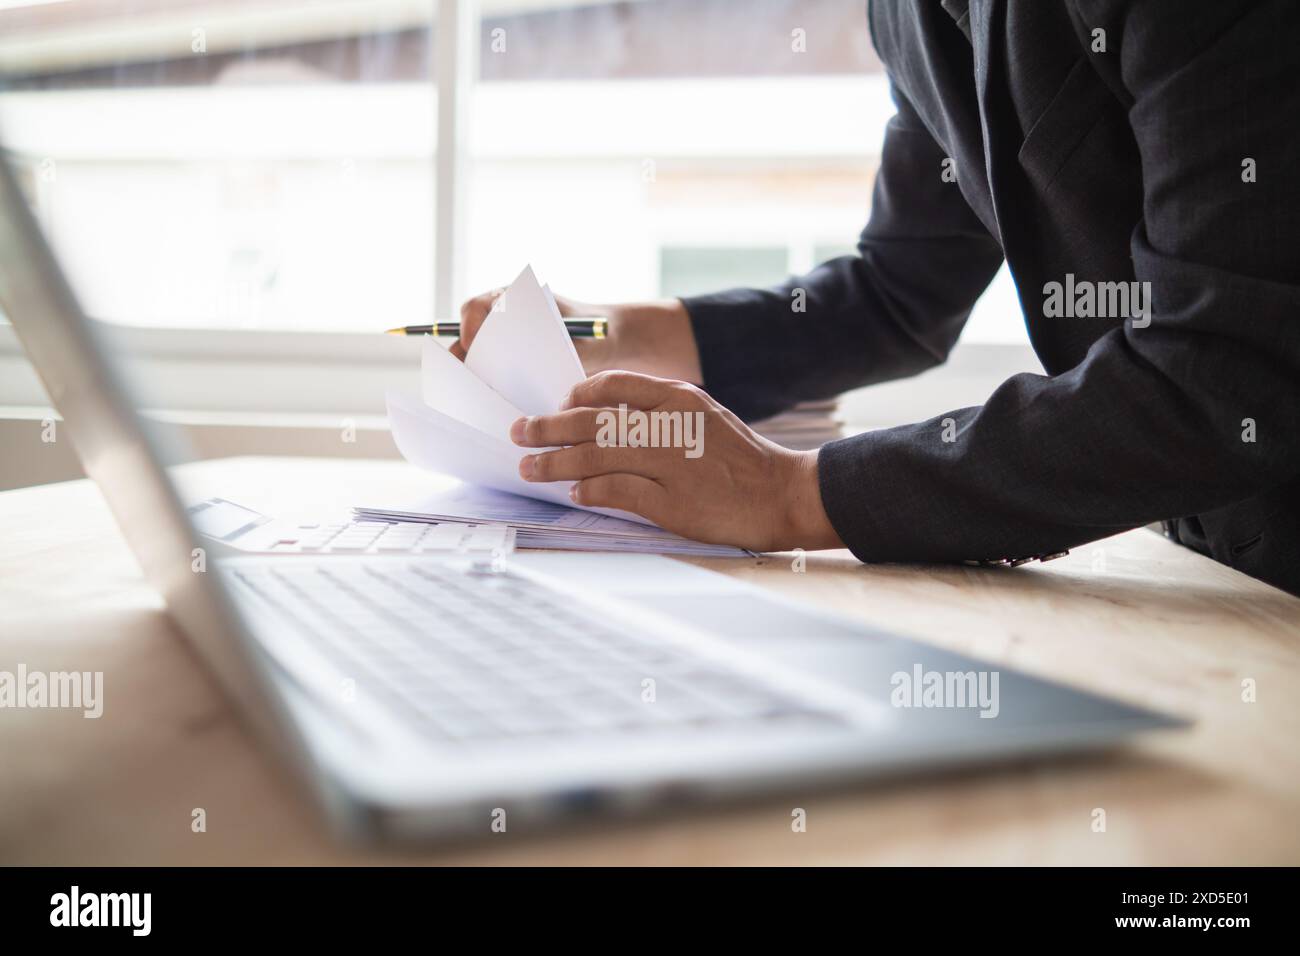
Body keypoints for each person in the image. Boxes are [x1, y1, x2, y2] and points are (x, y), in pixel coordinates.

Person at [453, 0, 1300, 596]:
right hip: (1208, 572)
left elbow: (1218, 373)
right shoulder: (906, 13)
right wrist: (614, 331)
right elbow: (900, 290)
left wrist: (786, 494)